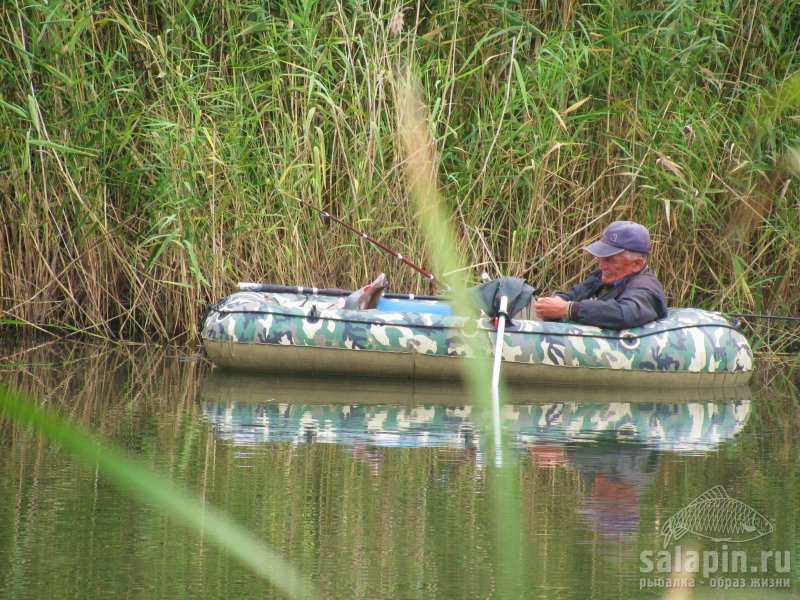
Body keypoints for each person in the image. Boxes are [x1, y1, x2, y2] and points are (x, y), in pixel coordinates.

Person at [534, 221, 668, 329]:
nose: (601, 266)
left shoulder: (646, 289)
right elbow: (576, 294)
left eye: (610, 259)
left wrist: (569, 309)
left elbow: (624, 314)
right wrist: (554, 302)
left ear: (637, 264)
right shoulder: (606, 274)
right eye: (602, 257)